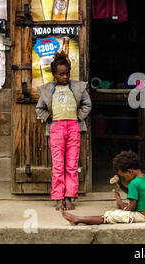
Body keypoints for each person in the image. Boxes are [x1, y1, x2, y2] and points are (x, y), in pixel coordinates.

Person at [36, 52, 92, 211]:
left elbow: (87, 105)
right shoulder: (48, 90)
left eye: (67, 73)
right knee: (58, 165)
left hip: (74, 128)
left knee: (72, 165)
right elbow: (39, 109)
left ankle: (69, 197)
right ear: (54, 75)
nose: (65, 76)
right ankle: (58, 197)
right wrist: (48, 116)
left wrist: (78, 117)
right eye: (61, 74)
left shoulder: (77, 88)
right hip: (56, 128)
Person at [61, 151, 145, 225]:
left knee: (108, 216)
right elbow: (135, 194)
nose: (125, 179)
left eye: (124, 176)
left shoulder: (134, 183)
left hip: (142, 216)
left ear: (130, 171)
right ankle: (119, 202)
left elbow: (132, 206)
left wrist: (121, 213)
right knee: (125, 205)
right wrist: (121, 186)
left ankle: (77, 219)